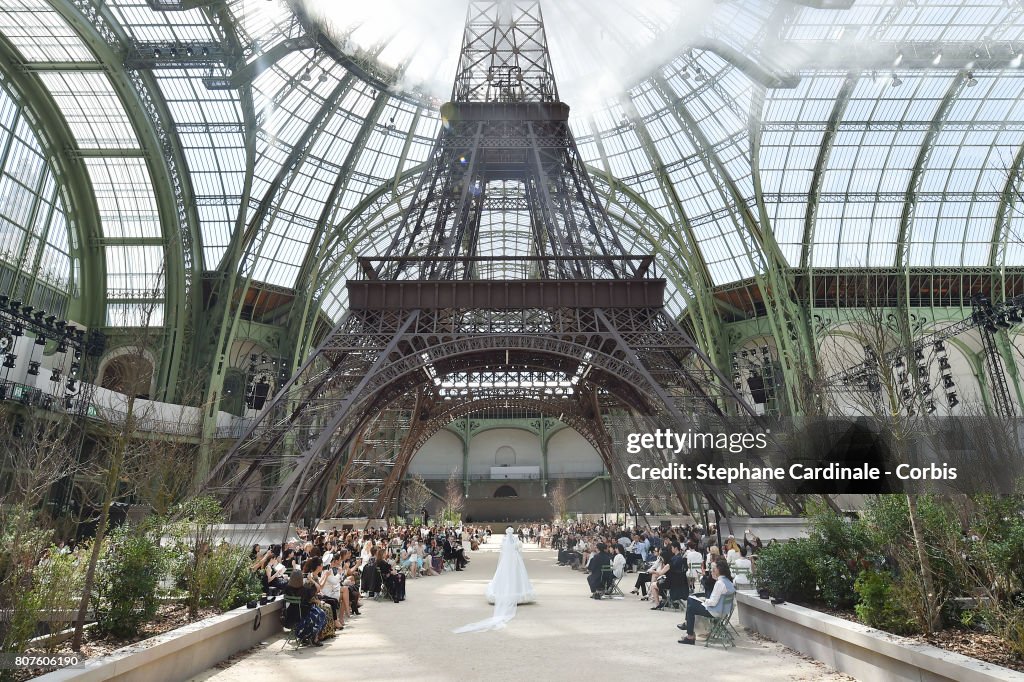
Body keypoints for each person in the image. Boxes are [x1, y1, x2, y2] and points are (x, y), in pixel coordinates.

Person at [454, 527, 535, 633]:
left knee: (505, 576)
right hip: (515, 562)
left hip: (508, 562)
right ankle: (518, 592)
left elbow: (504, 552)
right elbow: (519, 550)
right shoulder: (515, 541)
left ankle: (508, 592)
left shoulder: (505, 541)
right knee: (515, 576)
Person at [678, 558, 736, 645]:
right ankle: (690, 632)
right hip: (724, 612)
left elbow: (713, 602)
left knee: (690, 605)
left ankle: (690, 635)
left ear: (719, 570)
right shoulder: (729, 582)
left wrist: (704, 601)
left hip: (715, 611)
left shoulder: (720, 583)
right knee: (692, 602)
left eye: (714, 569)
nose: (713, 570)